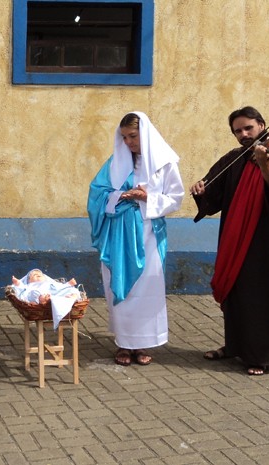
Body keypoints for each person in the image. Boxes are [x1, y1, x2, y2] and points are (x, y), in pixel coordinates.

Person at [189, 106, 269, 376]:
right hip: (235, 237)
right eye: (238, 131)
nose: (243, 134)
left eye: (248, 128)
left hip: (266, 239)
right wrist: (200, 190)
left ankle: (262, 356)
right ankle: (235, 346)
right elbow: (213, 194)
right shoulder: (234, 159)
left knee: (264, 296)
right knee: (237, 295)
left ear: (261, 125)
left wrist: (264, 166)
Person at [87, 112, 184, 366]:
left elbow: (175, 199)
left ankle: (142, 344)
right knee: (118, 286)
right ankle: (122, 343)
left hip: (149, 234)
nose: (129, 142)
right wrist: (120, 196)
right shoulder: (115, 163)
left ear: (146, 134)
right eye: (124, 138)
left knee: (146, 288)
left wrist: (145, 198)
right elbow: (97, 193)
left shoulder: (164, 163)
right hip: (118, 235)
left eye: (133, 136)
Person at [11, 269, 79, 305]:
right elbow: (22, 288)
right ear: (29, 280)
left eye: (40, 274)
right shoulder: (29, 286)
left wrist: (69, 284)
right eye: (34, 275)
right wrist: (17, 283)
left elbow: (59, 287)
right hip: (38, 297)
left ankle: (72, 297)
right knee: (33, 293)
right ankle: (42, 299)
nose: (38, 275)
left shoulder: (49, 283)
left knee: (72, 290)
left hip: (53, 295)